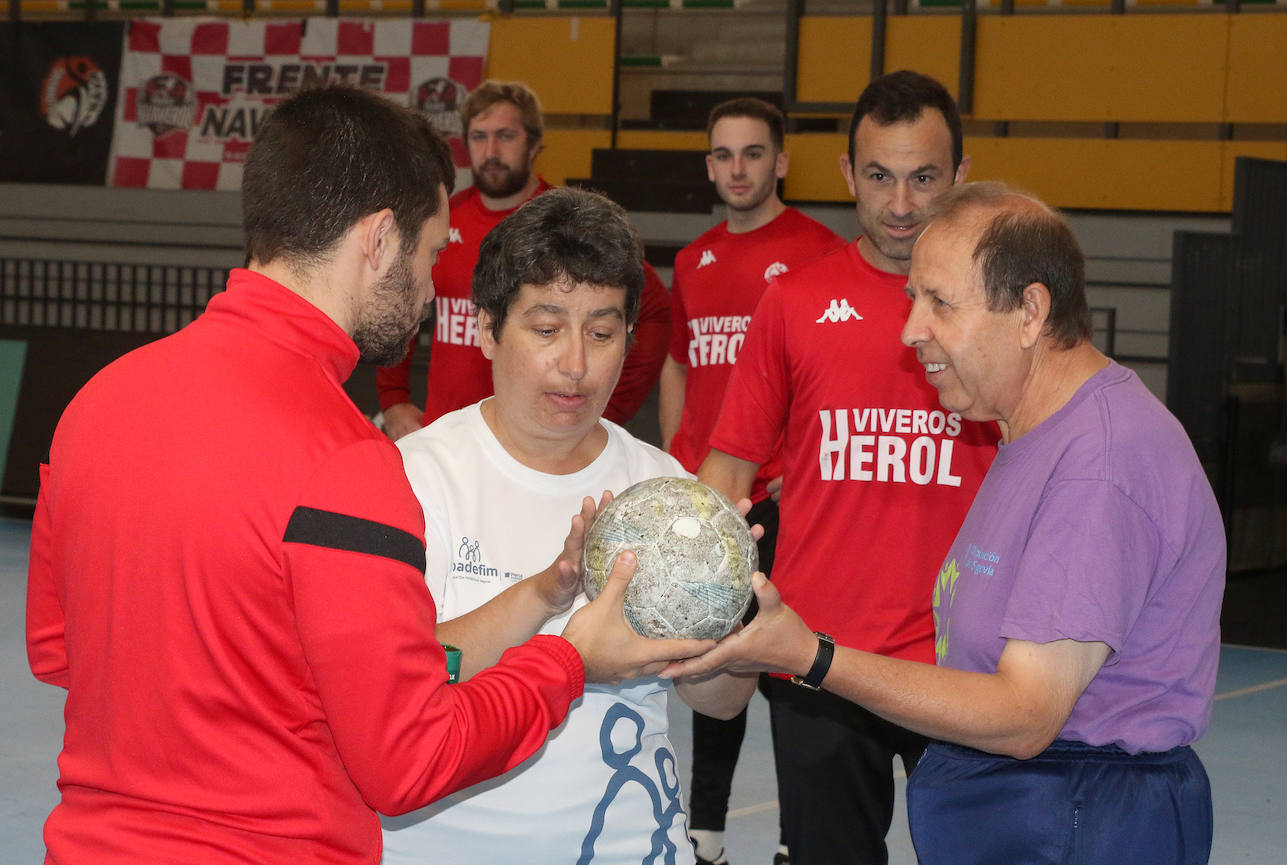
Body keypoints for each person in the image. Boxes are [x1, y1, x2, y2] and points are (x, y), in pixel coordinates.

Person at [25, 85, 711, 865]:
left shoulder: (95, 403)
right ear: (380, 240)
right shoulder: (345, 459)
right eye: (430, 253)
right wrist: (569, 660)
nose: (428, 288)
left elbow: (59, 651)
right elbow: (409, 761)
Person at [672, 182, 1226, 865]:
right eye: (913, 298)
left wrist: (810, 655)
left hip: (1081, 816)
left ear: (1029, 310)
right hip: (1037, 808)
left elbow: (1026, 712)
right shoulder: (1026, 433)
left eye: (939, 302)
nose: (911, 329)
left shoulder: (1099, 464)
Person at [379, 187, 757, 864]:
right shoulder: (412, 476)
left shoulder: (662, 489)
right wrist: (546, 606)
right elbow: (390, 688)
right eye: (547, 329)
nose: (577, 364)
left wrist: (726, 617)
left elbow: (723, 703)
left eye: (603, 332)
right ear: (488, 328)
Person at [694, 71, 1002, 865]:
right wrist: (687, 584)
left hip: (962, 663)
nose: (901, 203)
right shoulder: (794, 302)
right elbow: (728, 472)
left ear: (960, 175)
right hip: (817, 659)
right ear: (846, 174)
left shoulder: (1004, 315)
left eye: (924, 177)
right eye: (879, 176)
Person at [658, 96, 844, 865]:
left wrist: (804, 480)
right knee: (716, 662)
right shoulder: (692, 260)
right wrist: (677, 451)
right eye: (724, 155)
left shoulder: (818, 251)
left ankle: (801, 836)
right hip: (712, 498)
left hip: (787, 500)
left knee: (793, 671)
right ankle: (706, 830)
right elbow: (678, 358)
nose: (738, 168)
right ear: (710, 165)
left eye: (753, 153)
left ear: (781, 161)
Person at [377, 79, 671, 438]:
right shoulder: (443, 218)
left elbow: (656, 309)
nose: (491, 150)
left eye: (505, 136)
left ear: (534, 145)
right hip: (449, 436)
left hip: (540, 439)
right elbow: (399, 297)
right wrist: (393, 398)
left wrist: (610, 408)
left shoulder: (569, 222)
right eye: (479, 136)